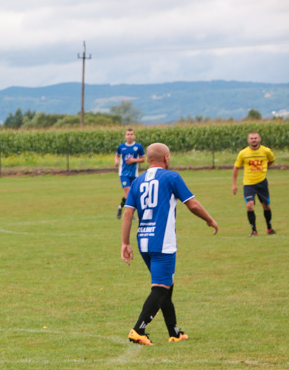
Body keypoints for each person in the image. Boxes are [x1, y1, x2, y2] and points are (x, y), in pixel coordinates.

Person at [121, 142, 218, 345]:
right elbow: (191, 203)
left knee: (166, 285)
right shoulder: (172, 177)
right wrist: (209, 219)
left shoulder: (137, 181)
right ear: (166, 157)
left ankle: (174, 332)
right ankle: (138, 329)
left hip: (143, 242)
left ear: (147, 159)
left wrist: (125, 243)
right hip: (162, 241)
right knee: (160, 287)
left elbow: (128, 212)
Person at [232, 132, 276, 236]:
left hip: (262, 183)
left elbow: (271, 160)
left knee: (266, 206)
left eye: (255, 138)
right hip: (248, 184)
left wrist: (265, 167)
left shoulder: (266, 151)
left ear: (259, 139)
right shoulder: (243, 153)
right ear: (248, 140)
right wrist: (234, 184)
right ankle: (254, 231)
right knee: (250, 206)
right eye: (251, 138)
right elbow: (236, 168)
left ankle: (269, 228)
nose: (253, 140)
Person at [114, 128, 146, 219]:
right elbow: (117, 154)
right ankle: (128, 213)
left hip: (134, 174)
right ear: (125, 136)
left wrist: (134, 160)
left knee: (133, 194)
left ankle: (121, 208)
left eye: (131, 134)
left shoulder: (138, 146)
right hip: (124, 174)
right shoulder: (121, 147)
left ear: (134, 136)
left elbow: (143, 159)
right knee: (128, 191)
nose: (130, 136)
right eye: (128, 134)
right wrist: (116, 160)